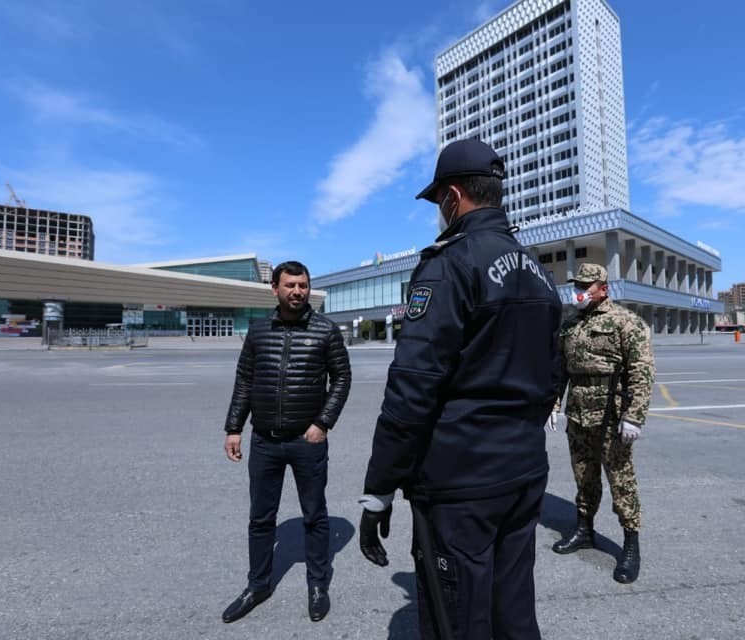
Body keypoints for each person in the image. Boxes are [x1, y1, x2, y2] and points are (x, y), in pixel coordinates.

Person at [358, 139, 563, 639]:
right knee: (513, 611)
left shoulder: (449, 263)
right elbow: (555, 369)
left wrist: (379, 488)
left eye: (438, 205)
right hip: (524, 469)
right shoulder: (539, 273)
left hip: (459, 481)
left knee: (458, 620)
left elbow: (412, 386)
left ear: (453, 197)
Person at [220, 260, 351, 624]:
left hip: (307, 441)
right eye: (290, 285)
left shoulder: (325, 331)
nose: (298, 291)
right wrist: (234, 428)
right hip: (264, 440)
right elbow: (244, 381)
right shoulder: (258, 332)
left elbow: (342, 378)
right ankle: (258, 585)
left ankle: (318, 585)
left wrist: (323, 423)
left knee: (314, 516)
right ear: (274, 288)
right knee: (261, 519)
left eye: (303, 285)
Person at [550, 263, 655, 584]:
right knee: (584, 476)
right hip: (579, 414)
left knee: (621, 481)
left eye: (585, 284)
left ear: (603, 288)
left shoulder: (626, 322)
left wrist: (634, 415)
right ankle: (584, 530)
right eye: (576, 284)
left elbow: (642, 372)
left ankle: (630, 545)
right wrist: (554, 403)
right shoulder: (571, 325)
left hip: (612, 415)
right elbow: (560, 369)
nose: (578, 289)